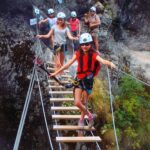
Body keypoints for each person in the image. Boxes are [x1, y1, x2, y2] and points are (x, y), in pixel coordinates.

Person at [50, 33, 116, 129]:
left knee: (84, 102)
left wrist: (110, 63)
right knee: (77, 102)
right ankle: (90, 116)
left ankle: (81, 119)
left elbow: (102, 61)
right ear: (80, 45)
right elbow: (67, 65)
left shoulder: (93, 54)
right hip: (79, 80)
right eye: (83, 44)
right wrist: (55, 73)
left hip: (88, 81)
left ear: (90, 44)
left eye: (87, 44)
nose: (85, 46)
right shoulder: (78, 53)